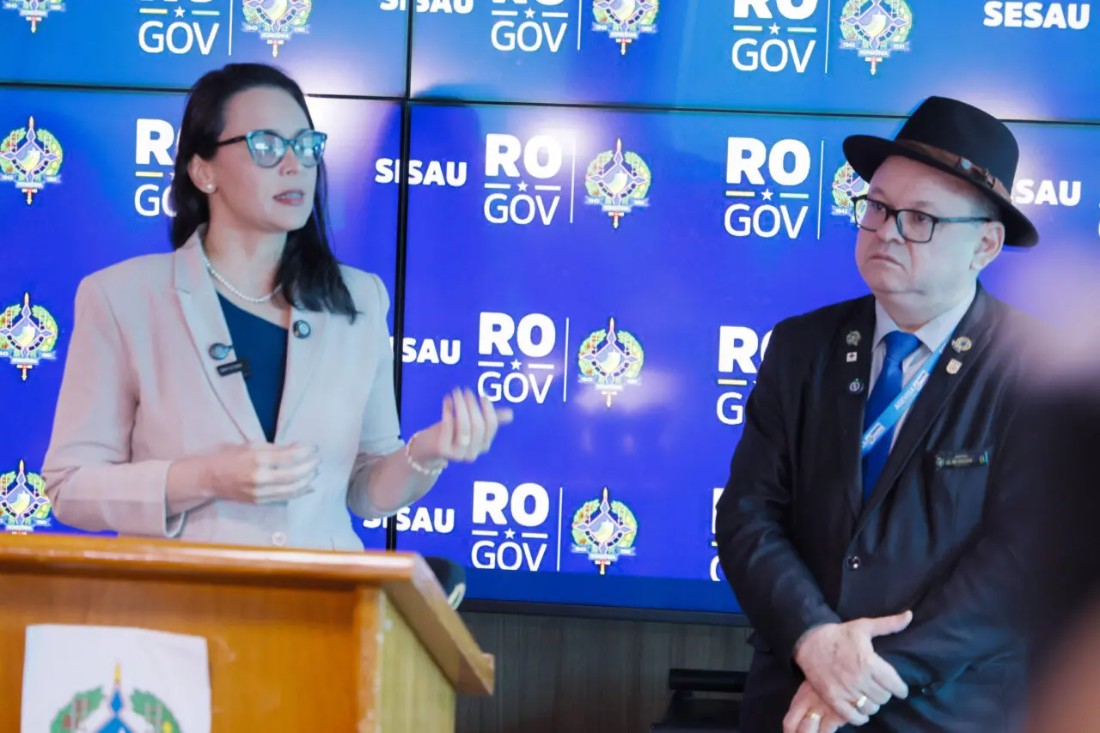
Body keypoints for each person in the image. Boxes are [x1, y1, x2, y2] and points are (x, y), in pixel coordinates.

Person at [42, 63, 512, 550]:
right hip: (183, 591)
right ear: (203, 171)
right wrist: (204, 477)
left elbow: (365, 491)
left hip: (319, 592)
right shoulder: (122, 297)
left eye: (306, 146)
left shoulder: (358, 299)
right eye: (266, 146)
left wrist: (425, 454)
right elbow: (70, 487)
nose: (294, 165)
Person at [715, 96, 1042, 732]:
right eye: (878, 208)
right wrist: (814, 642)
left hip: (946, 710)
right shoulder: (801, 346)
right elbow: (748, 514)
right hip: (796, 698)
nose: (887, 231)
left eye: (920, 218)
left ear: (985, 244)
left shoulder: (1037, 371)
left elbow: (1023, 562)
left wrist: (865, 677)